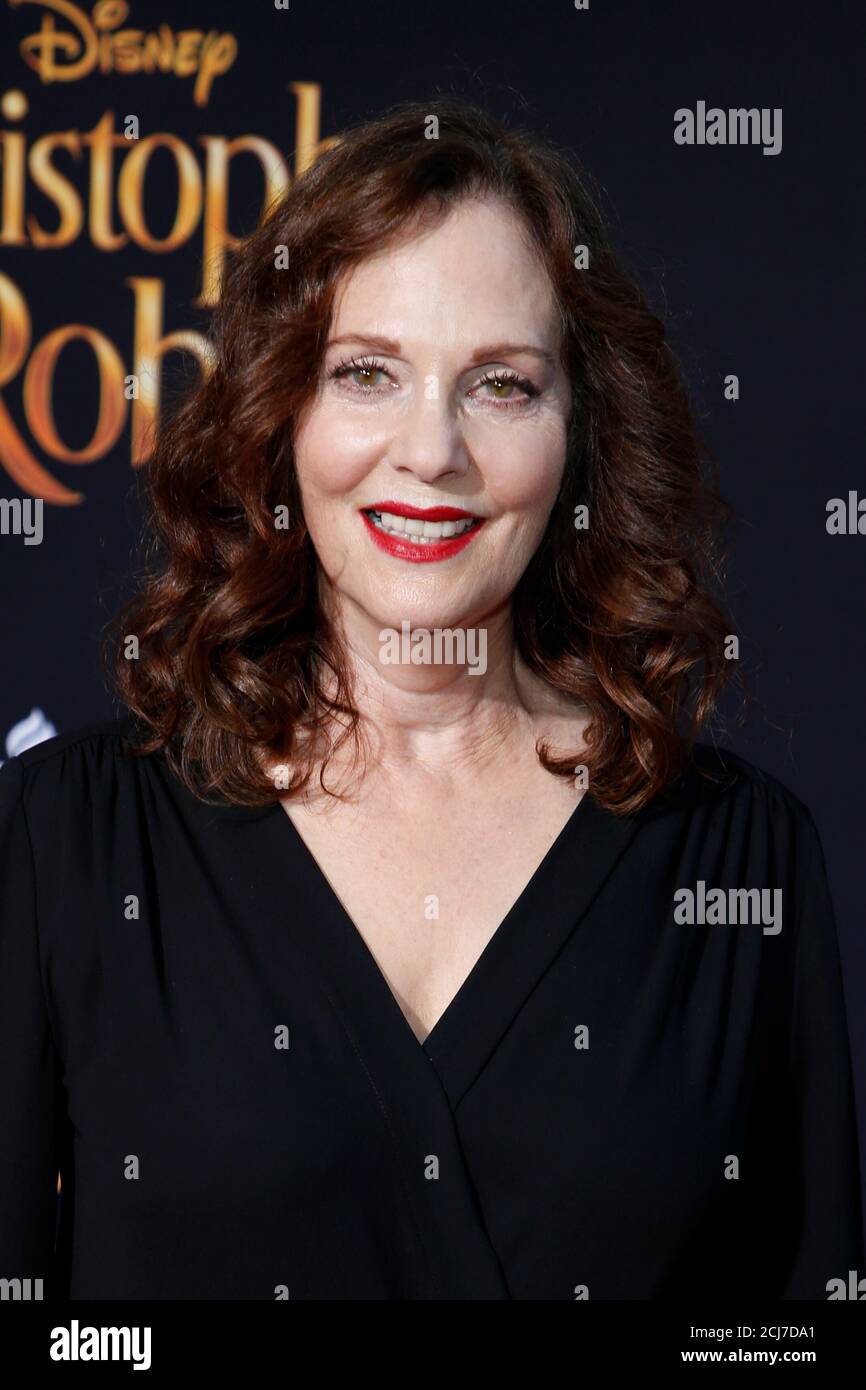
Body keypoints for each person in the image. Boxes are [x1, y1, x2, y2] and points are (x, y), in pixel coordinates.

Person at [0, 97, 861, 1300]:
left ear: (582, 435)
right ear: (279, 413)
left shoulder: (742, 859)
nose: (429, 450)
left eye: (500, 386)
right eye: (366, 373)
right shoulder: (66, 842)